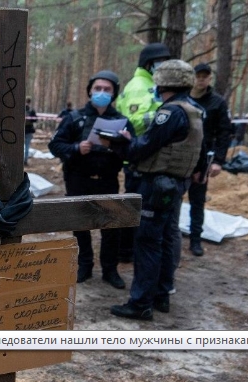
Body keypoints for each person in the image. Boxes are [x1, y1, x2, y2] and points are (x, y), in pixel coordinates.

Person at [111, 60, 206, 321]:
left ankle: (141, 302)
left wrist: (124, 144)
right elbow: (199, 151)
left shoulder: (170, 113)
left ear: (163, 82)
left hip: (156, 185)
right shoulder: (194, 110)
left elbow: (145, 147)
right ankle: (162, 294)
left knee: (148, 242)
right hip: (175, 184)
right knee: (165, 239)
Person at [48, 70, 134, 289]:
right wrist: (77, 148)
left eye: (107, 89)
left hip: (107, 180)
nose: (102, 93)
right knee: (81, 225)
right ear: (90, 91)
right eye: (98, 88)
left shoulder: (121, 122)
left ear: (114, 93)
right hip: (78, 180)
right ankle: (84, 266)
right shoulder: (74, 118)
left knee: (110, 226)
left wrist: (125, 143)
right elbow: (55, 145)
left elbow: (132, 153)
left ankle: (110, 270)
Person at [115, 42, 172, 264]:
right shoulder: (140, 85)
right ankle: (127, 251)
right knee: (135, 207)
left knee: (142, 207)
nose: (163, 65)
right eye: (160, 61)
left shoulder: (151, 84)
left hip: (147, 155)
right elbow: (134, 121)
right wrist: (163, 116)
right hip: (138, 157)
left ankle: (129, 249)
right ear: (148, 63)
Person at [187, 63, 232, 257]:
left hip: (203, 159)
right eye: (198, 76)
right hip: (180, 156)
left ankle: (195, 239)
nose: (202, 79)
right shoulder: (183, 98)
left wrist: (218, 161)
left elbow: (224, 132)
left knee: (197, 200)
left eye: (205, 76)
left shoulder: (217, 102)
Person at [24, 97, 38, 164]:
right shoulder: (32, 110)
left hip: (21, 130)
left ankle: (20, 160)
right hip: (29, 130)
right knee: (27, 146)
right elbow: (35, 119)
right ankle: (25, 160)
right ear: (30, 102)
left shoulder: (21, 109)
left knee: (20, 146)